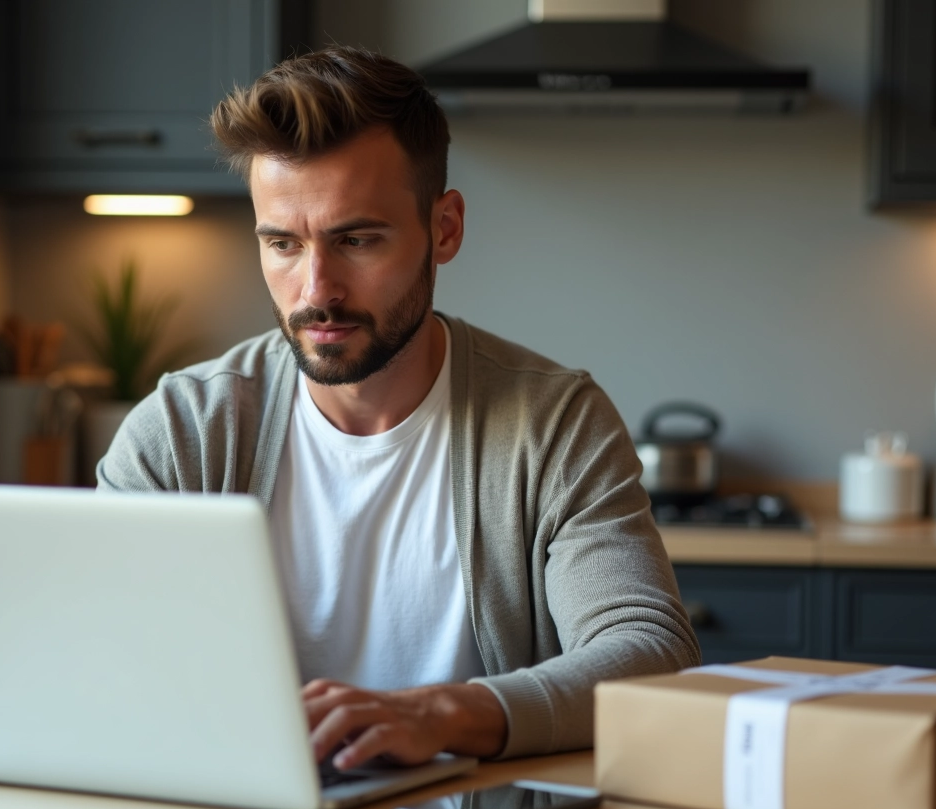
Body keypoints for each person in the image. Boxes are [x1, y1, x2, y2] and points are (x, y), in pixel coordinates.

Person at [98, 46, 700, 770]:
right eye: (283, 244)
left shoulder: (552, 422)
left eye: (356, 240)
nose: (317, 289)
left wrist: (440, 712)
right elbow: (93, 658)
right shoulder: (182, 432)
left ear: (443, 229)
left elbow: (648, 652)